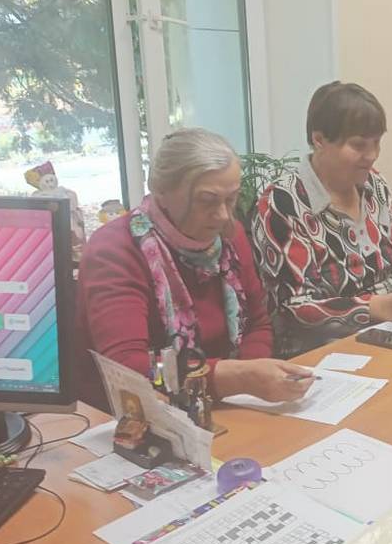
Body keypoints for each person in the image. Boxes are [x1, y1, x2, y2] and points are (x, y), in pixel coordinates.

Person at [77, 128, 313, 411]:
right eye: (207, 201)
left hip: (218, 402)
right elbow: (128, 367)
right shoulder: (116, 249)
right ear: (161, 192)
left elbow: (257, 325)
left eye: (231, 199)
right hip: (134, 414)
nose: (223, 215)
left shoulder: (230, 236)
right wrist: (238, 377)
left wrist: (247, 385)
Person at [252, 82, 392, 356]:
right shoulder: (283, 202)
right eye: (358, 145)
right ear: (319, 140)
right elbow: (294, 307)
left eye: (377, 143)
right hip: (323, 352)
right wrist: (376, 307)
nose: (371, 156)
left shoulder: (374, 184)